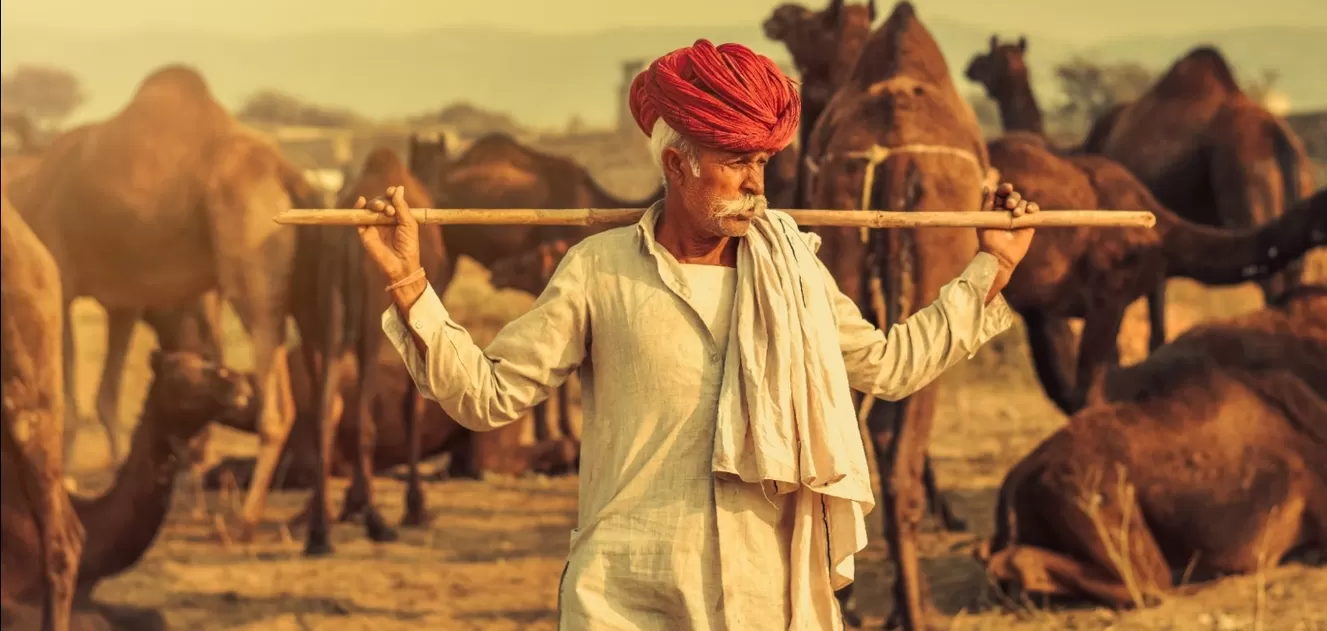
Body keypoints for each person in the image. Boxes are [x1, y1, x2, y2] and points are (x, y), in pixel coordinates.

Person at [358, 40, 1038, 631]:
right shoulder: (599, 270)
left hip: (766, 597)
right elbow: (489, 396)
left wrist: (992, 267)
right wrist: (413, 287)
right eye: (736, 160)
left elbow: (890, 366)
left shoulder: (793, 272)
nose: (755, 184)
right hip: (624, 597)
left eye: (763, 163)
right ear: (677, 163)